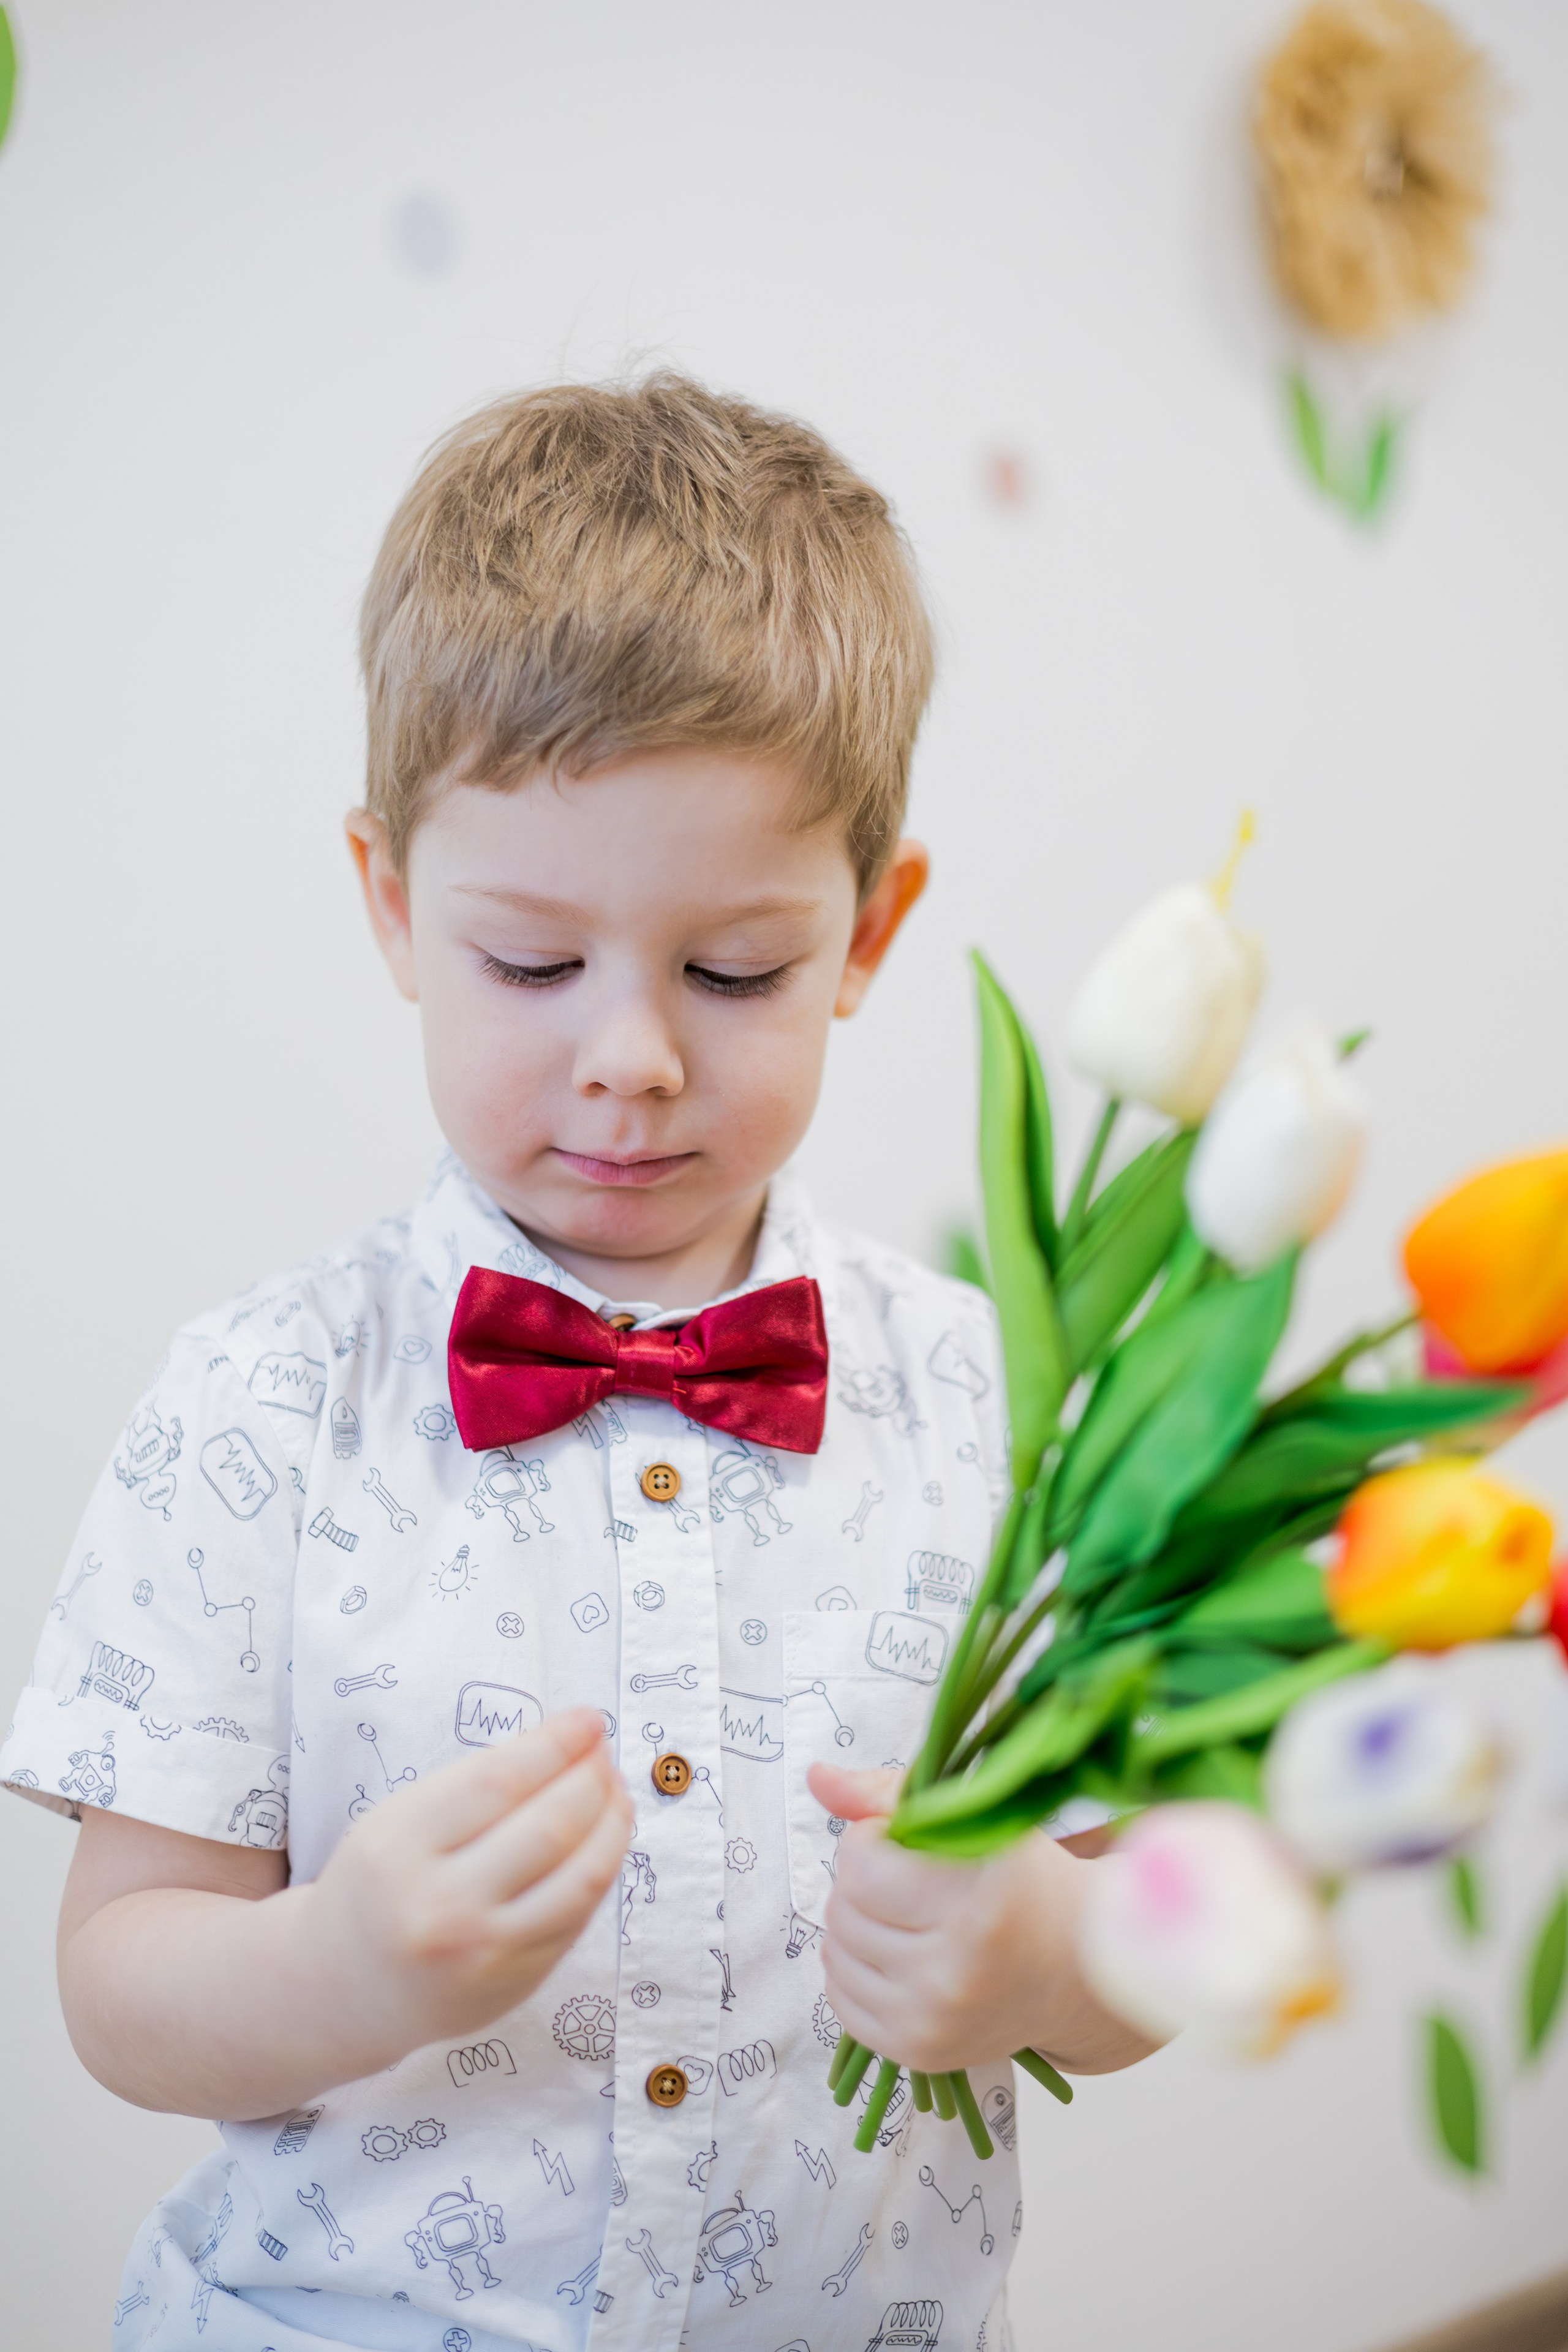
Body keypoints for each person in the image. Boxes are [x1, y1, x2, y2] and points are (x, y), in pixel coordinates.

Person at [2, 376, 1155, 2352]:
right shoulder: (262, 1399)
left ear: (872, 929)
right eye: (533, 964)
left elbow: (1155, 1939)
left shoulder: (991, 1403)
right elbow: (118, 1981)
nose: (632, 1051)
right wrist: (338, 1967)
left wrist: (1055, 1957)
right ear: (393, 904)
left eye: (734, 971)